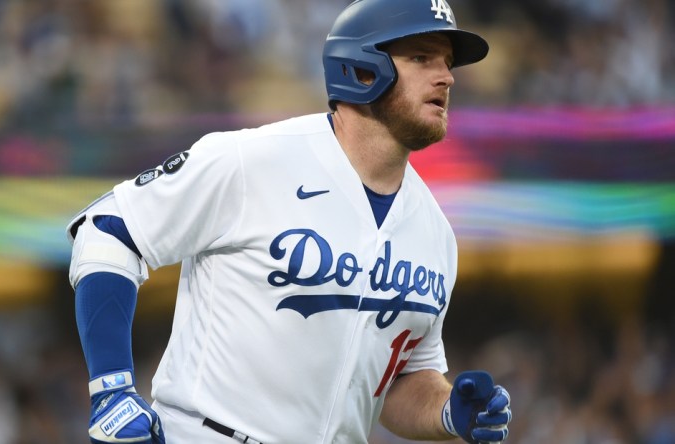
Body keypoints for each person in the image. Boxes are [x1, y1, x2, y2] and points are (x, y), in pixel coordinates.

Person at [66, 0, 512, 442]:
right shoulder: (253, 160)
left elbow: (391, 384)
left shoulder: (435, 233)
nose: (447, 77)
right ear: (361, 68)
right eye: (421, 57)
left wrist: (446, 411)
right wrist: (111, 386)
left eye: (448, 63)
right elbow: (108, 229)